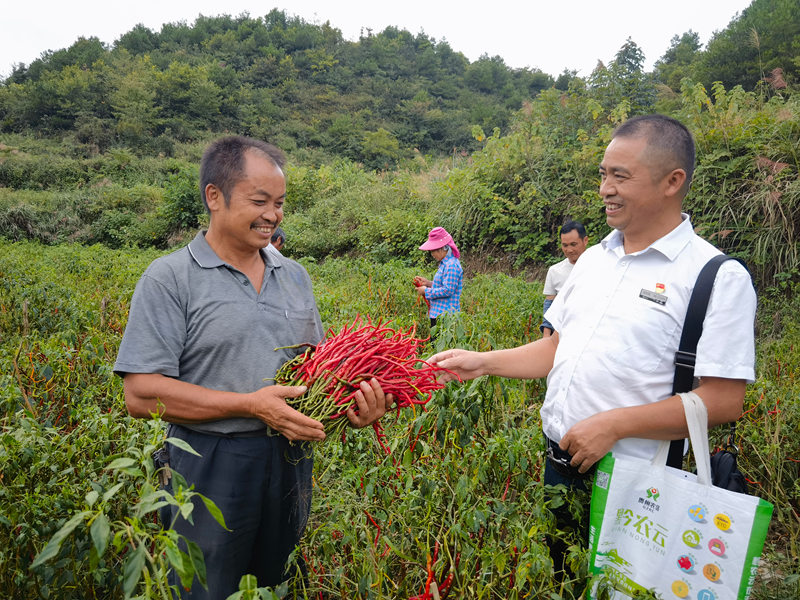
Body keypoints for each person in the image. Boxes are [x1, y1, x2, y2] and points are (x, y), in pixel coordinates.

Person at [429, 115, 756, 570]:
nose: (605, 188)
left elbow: (723, 400)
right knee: (562, 573)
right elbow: (555, 348)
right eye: (603, 174)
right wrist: (482, 362)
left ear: (672, 181)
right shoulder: (595, 260)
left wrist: (615, 425)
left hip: (638, 481)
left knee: (621, 585)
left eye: (620, 176)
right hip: (559, 463)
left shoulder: (715, 276)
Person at [114, 136, 393, 598]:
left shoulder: (295, 275)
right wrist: (250, 406)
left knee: (277, 583)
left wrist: (354, 409)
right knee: (202, 587)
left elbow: (317, 374)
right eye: (259, 201)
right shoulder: (169, 277)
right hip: (208, 462)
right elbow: (141, 393)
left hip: (289, 461)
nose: (273, 215)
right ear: (214, 197)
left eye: (280, 203)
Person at [540, 220, 589, 337]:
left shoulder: (599, 266)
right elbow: (550, 305)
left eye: (573, 244)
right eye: (565, 245)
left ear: (585, 241)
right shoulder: (555, 271)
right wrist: (546, 336)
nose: (569, 250)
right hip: (563, 333)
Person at [414, 227, 464, 329]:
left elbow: (448, 290)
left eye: (434, 251)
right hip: (438, 313)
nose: (432, 254)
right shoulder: (444, 264)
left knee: (442, 344)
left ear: (444, 248)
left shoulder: (451, 265)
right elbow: (444, 285)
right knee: (435, 344)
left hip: (446, 315)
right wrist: (428, 283)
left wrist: (426, 291)